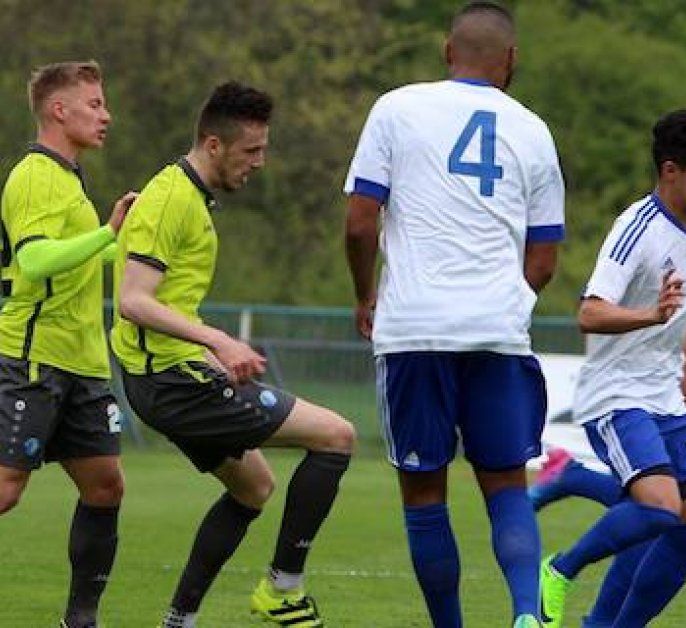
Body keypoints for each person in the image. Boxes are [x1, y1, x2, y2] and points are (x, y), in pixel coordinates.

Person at [342, 3, 565, 627]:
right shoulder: (533, 130)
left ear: (448, 50)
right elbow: (544, 259)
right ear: (511, 59)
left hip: (415, 328)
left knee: (423, 493)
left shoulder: (396, 108)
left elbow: (360, 224)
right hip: (497, 333)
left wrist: (365, 295)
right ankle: (525, 616)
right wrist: (507, 303)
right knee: (507, 485)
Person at [112, 82, 356, 628]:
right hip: (172, 384)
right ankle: (283, 591)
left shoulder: (187, 196)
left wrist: (205, 350)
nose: (260, 162)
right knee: (336, 436)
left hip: (170, 376)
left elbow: (164, 302)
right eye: (252, 150)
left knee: (254, 487)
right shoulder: (171, 200)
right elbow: (133, 301)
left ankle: (179, 621)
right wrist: (218, 341)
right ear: (214, 145)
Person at [538, 109, 686, 628]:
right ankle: (559, 569)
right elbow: (589, 313)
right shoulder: (637, 227)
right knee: (660, 507)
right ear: (671, 171)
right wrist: (651, 315)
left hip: (665, 392)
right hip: (617, 393)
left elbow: (680, 323)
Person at [529, 112, 686, 512]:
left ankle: (574, 476)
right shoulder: (657, 225)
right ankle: (573, 498)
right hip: (657, 366)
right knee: (678, 506)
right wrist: (684, 346)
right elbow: (606, 311)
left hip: (678, 361)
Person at [0, 60, 136, 628]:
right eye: (95, 104)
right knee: (6, 490)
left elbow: (84, 259)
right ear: (59, 110)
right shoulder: (34, 175)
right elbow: (34, 260)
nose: (107, 116)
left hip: (83, 364)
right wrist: (106, 233)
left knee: (105, 487)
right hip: (34, 359)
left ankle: (80, 621)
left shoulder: (70, 177)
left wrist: (135, 244)